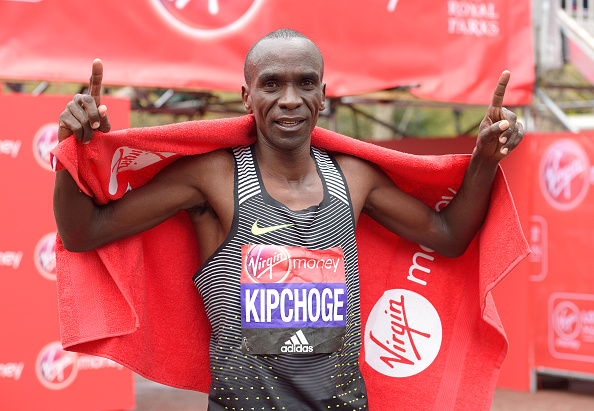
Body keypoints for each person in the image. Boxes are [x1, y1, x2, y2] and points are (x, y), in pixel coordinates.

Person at [54, 29, 523, 410]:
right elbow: (84, 233)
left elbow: (448, 236)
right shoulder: (214, 177)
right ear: (246, 96)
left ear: (323, 95)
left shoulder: (354, 179)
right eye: (272, 83)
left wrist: (483, 158)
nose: (289, 99)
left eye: (304, 83)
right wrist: (73, 149)